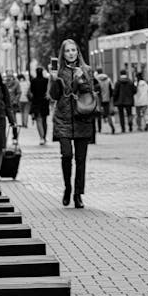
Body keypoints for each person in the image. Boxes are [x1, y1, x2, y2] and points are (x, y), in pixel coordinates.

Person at [49, 39, 95, 209]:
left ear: (78, 52)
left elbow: (90, 92)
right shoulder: (58, 71)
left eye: (73, 50)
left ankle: (78, 194)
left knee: (81, 159)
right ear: (63, 53)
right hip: (63, 119)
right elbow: (54, 96)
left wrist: (80, 79)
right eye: (68, 51)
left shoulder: (86, 70)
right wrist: (54, 80)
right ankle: (67, 187)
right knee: (67, 155)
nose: (71, 53)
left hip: (82, 118)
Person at [30, 67, 50, 145]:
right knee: (44, 120)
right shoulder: (46, 81)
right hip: (44, 101)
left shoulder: (33, 81)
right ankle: (44, 136)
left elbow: (31, 91)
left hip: (36, 101)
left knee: (39, 120)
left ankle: (41, 137)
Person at [95, 68, 115, 134]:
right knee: (108, 114)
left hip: (98, 99)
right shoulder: (108, 79)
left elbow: (95, 89)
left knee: (98, 114)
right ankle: (112, 127)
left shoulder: (96, 79)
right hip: (106, 99)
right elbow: (111, 89)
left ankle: (99, 129)